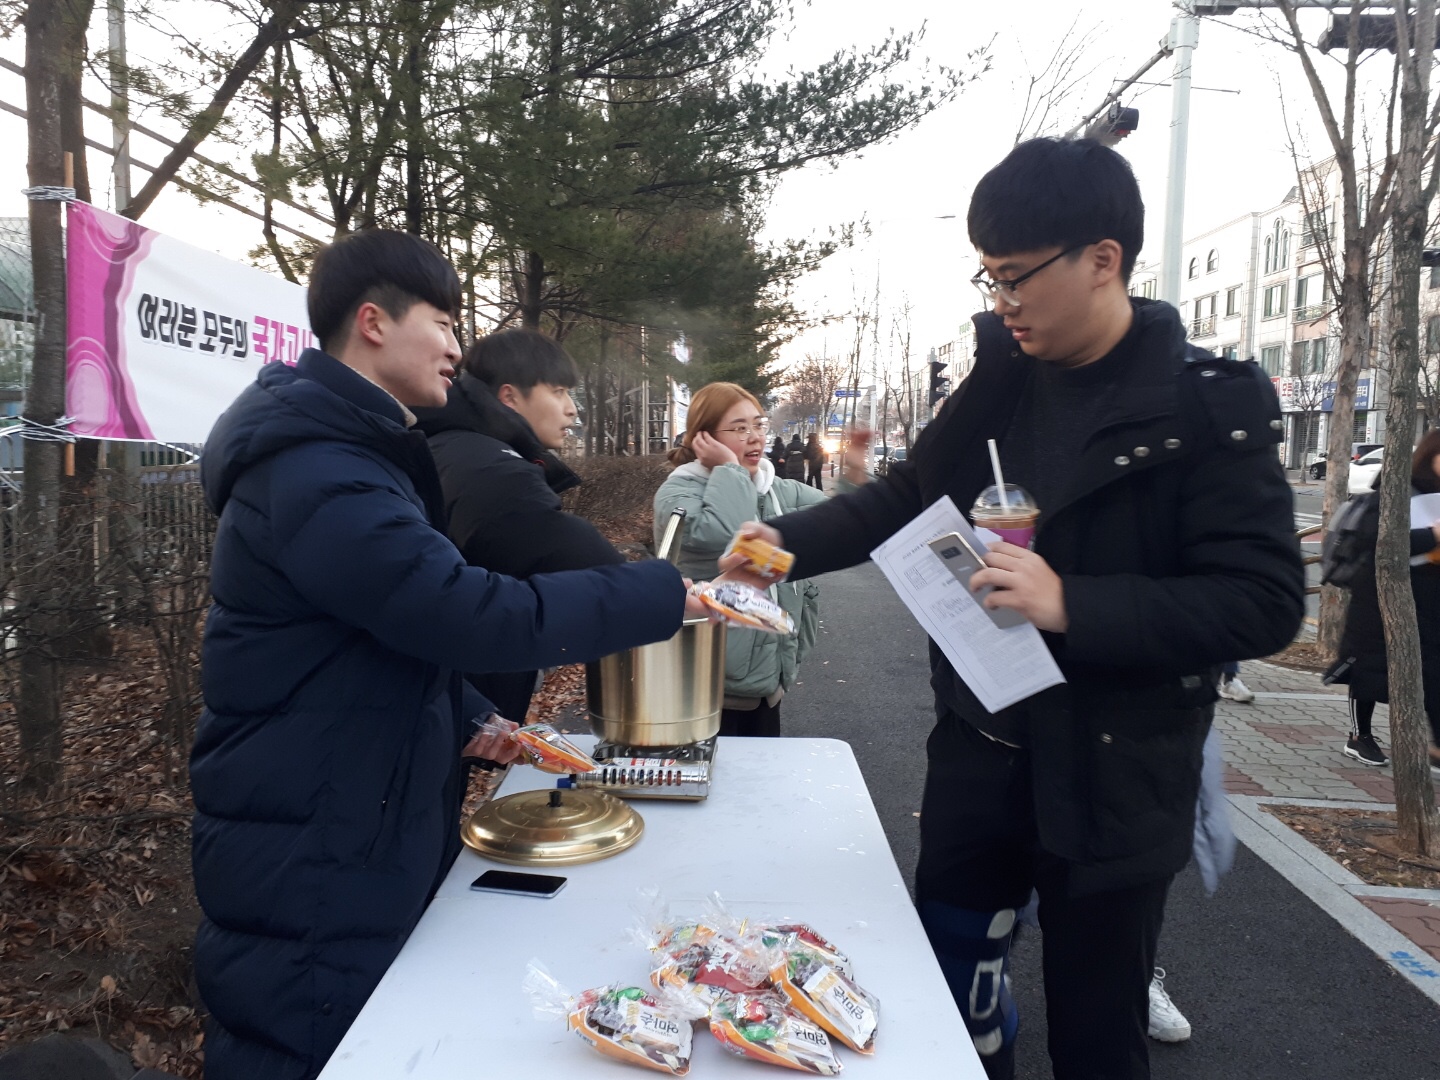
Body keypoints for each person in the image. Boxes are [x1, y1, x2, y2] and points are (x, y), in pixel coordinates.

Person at [733, 138, 1304, 1078]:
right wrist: (783, 548)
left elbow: (1263, 602)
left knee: (1096, 1035)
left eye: (1016, 276)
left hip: (1116, 778)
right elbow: (907, 496)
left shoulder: (1204, 409)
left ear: (1103, 259)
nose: (1002, 301)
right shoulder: (1000, 379)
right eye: (989, 276)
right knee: (947, 995)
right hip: (981, 754)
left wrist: (1071, 603)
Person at [191, 230, 710, 1080]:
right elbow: (464, 612)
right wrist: (662, 596)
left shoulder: (357, 453)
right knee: (312, 1042)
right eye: (442, 321)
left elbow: (374, 628)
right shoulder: (321, 470)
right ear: (373, 323)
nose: (456, 348)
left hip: (348, 805)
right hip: (312, 838)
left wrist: (468, 714)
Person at [415, 327, 623, 721]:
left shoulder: (462, 447)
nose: (572, 409)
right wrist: (663, 593)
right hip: (444, 706)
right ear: (509, 397)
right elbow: (565, 551)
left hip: (451, 701)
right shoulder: (490, 468)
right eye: (558, 392)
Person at [654, 384, 827, 736]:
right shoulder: (678, 492)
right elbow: (725, 533)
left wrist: (858, 481)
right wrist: (729, 469)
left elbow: (841, 519)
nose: (755, 437)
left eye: (758, 424)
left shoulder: (775, 489)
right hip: (705, 687)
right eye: (739, 428)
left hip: (767, 681)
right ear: (704, 437)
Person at [1324, 428, 1440, 769]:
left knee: (1433, 669)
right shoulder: (1396, 491)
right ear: (1430, 456)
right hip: (1382, 594)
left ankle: (1436, 746)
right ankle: (1360, 736)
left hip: (1431, 596)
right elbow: (1376, 542)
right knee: (1370, 666)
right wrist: (1430, 536)